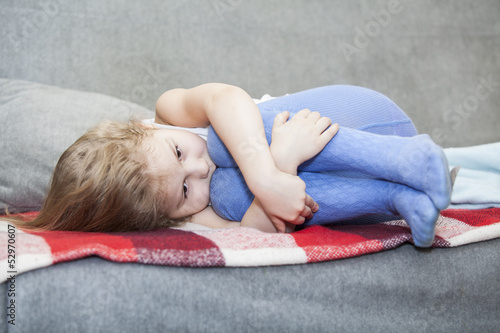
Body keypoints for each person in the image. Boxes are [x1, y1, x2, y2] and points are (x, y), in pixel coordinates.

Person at [15, 83, 451, 248]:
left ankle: (406, 161)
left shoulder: (171, 109)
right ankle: (401, 198)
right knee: (227, 197)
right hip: (361, 187)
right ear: (160, 216)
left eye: (178, 153)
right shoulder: (185, 220)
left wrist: (263, 174)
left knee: (225, 144)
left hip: (362, 123)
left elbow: (225, 97)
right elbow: (251, 235)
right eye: (183, 192)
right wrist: (283, 161)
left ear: (145, 128)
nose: (196, 171)